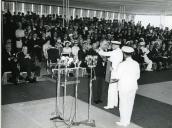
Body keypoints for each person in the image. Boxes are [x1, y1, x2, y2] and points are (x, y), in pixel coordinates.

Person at [115, 46, 140, 127]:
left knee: (123, 104)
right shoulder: (136, 63)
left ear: (124, 54)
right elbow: (137, 76)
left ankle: (123, 121)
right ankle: (127, 121)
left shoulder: (122, 64)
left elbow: (117, 77)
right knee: (130, 104)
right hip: (133, 86)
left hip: (124, 87)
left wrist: (113, 70)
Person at [98, 40, 123, 109]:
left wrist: (100, 48)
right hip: (117, 72)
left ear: (116, 45)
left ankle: (110, 105)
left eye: (113, 45)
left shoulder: (115, 52)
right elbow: (111, 58)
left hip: (114, 72)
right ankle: (115, 103)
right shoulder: (119, 51)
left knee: (111, 89)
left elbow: (103, 53)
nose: (111, 46)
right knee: (115, 89)